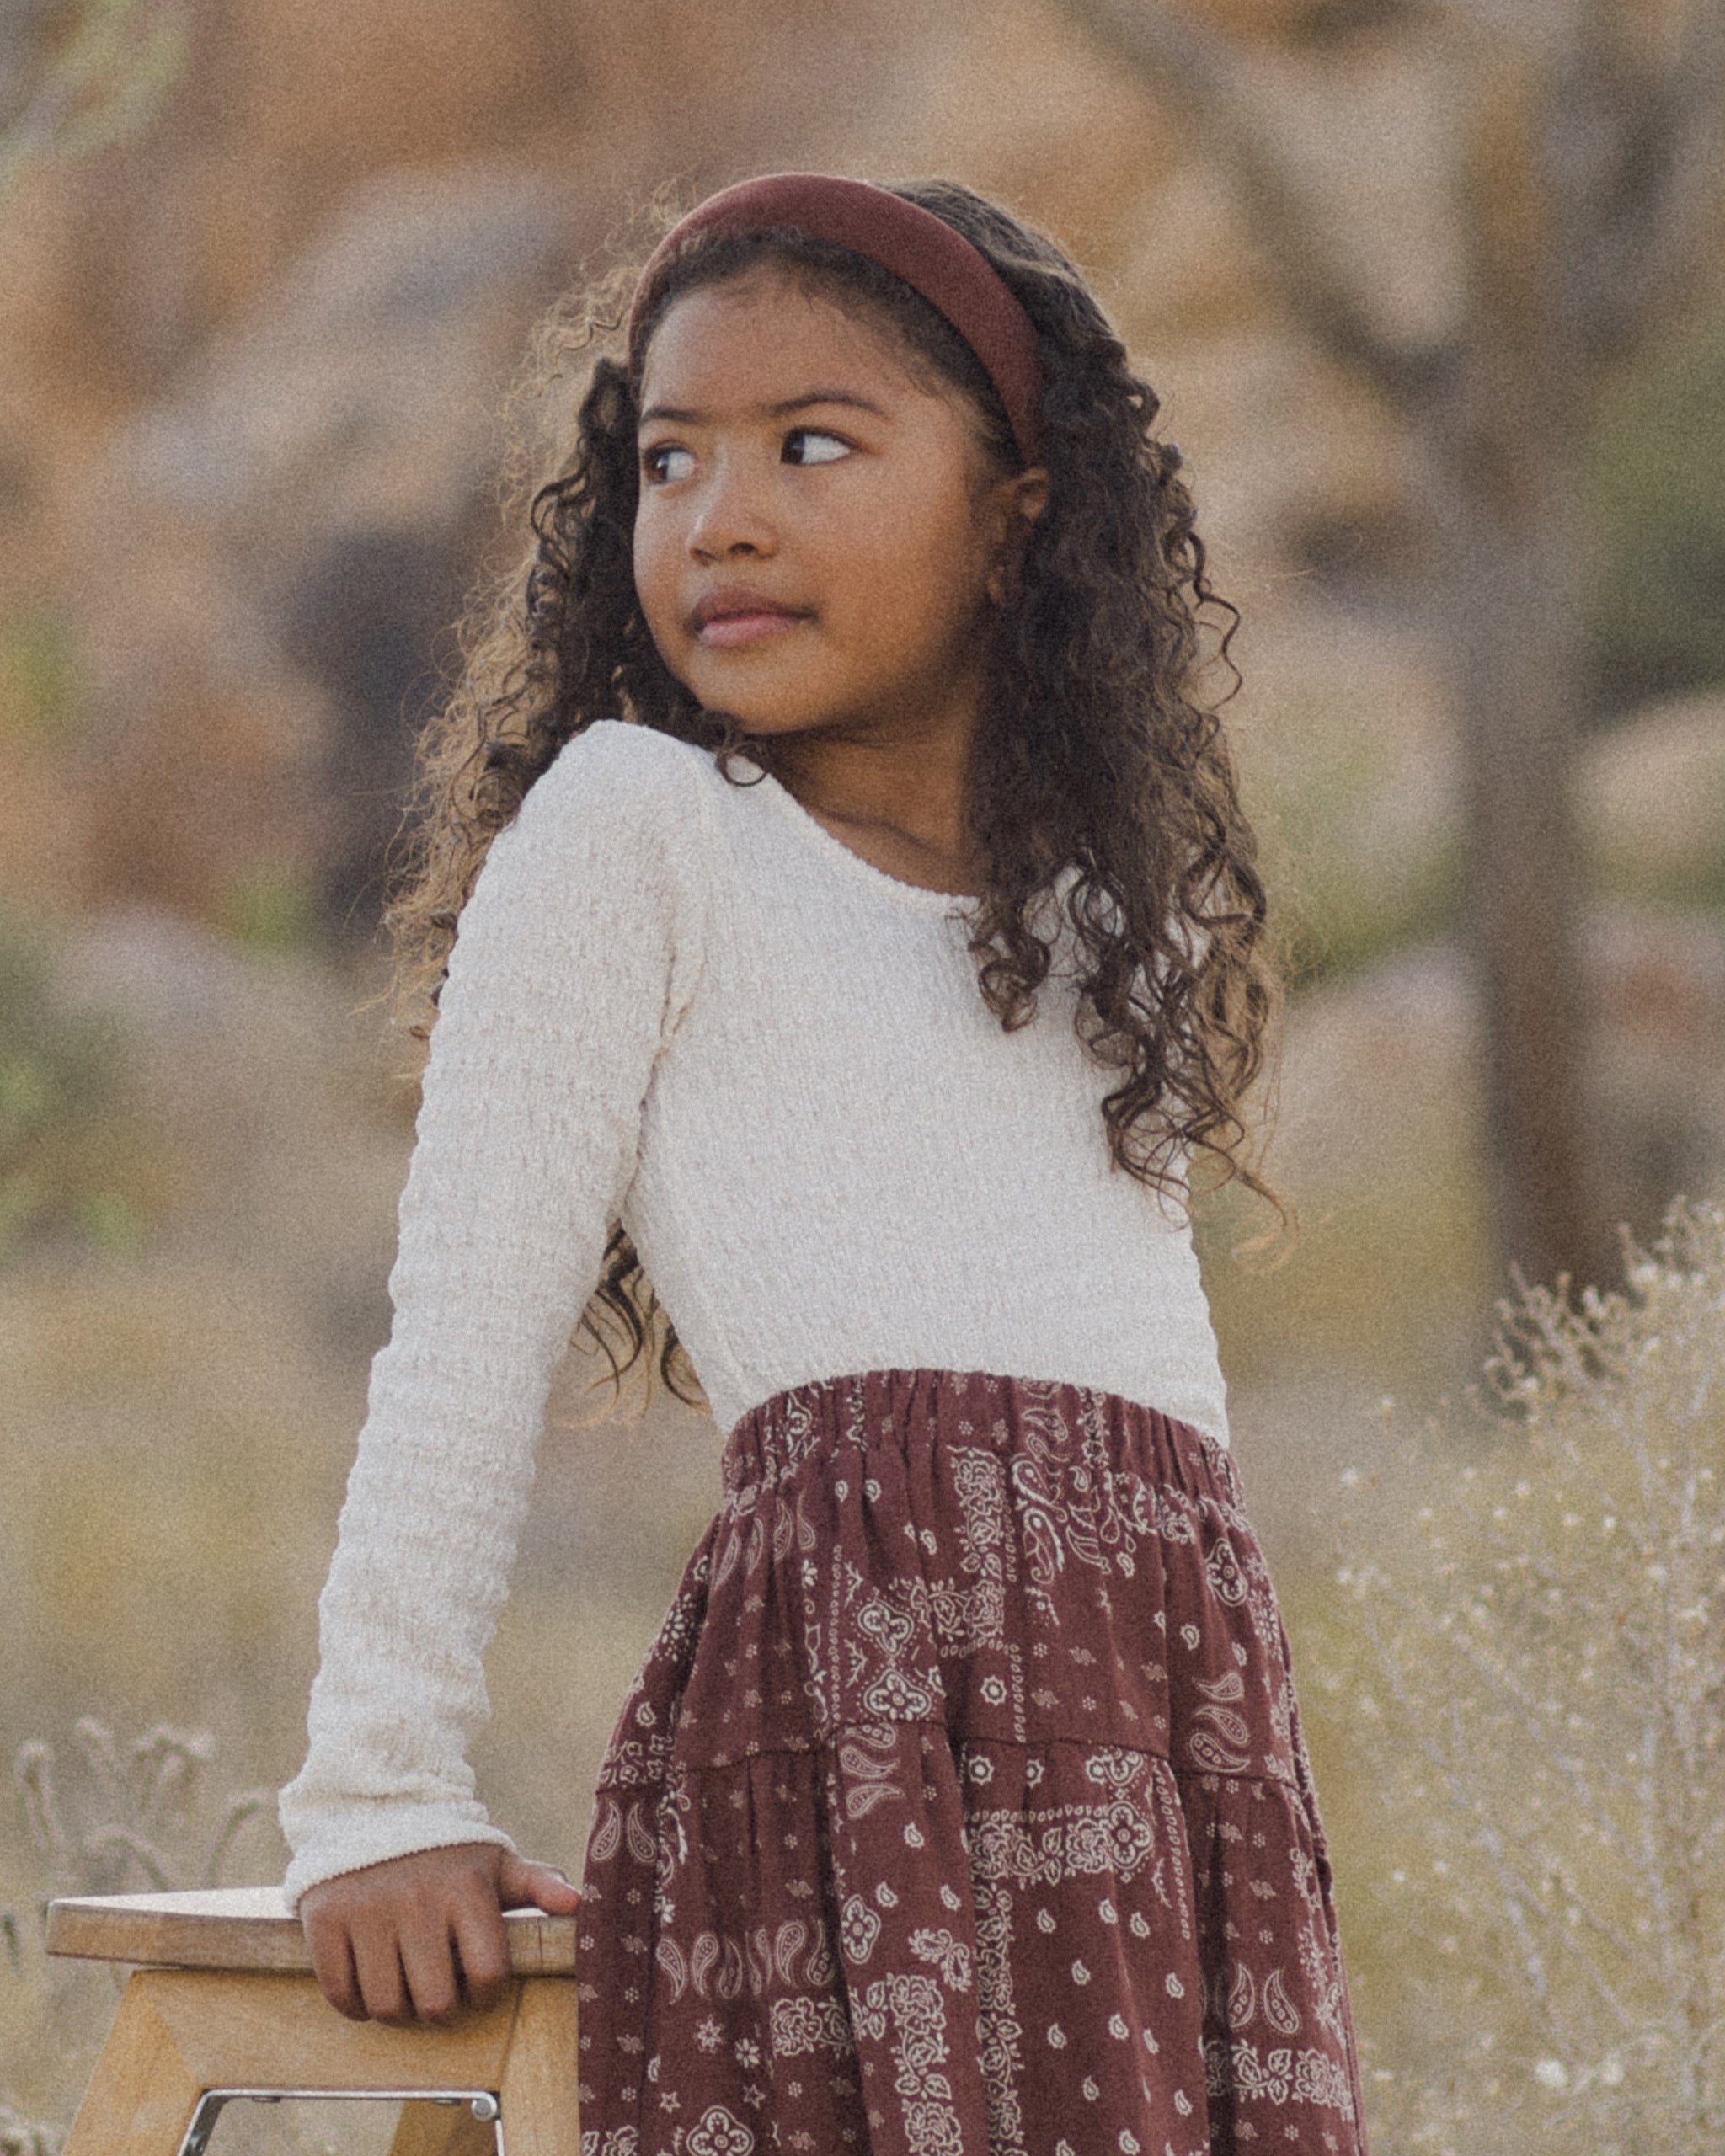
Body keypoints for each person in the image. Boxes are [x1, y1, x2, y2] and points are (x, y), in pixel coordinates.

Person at [280, 171, 1370, 2156]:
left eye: (810, 444)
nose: (722, 518)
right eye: (669, 458)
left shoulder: (1101, 931)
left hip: (1167, 1749)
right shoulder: (642, 832)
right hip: (853, 1767)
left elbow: (1151, 1440)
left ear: (1014, 516)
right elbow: (460, 1326)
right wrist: (380, 1788)